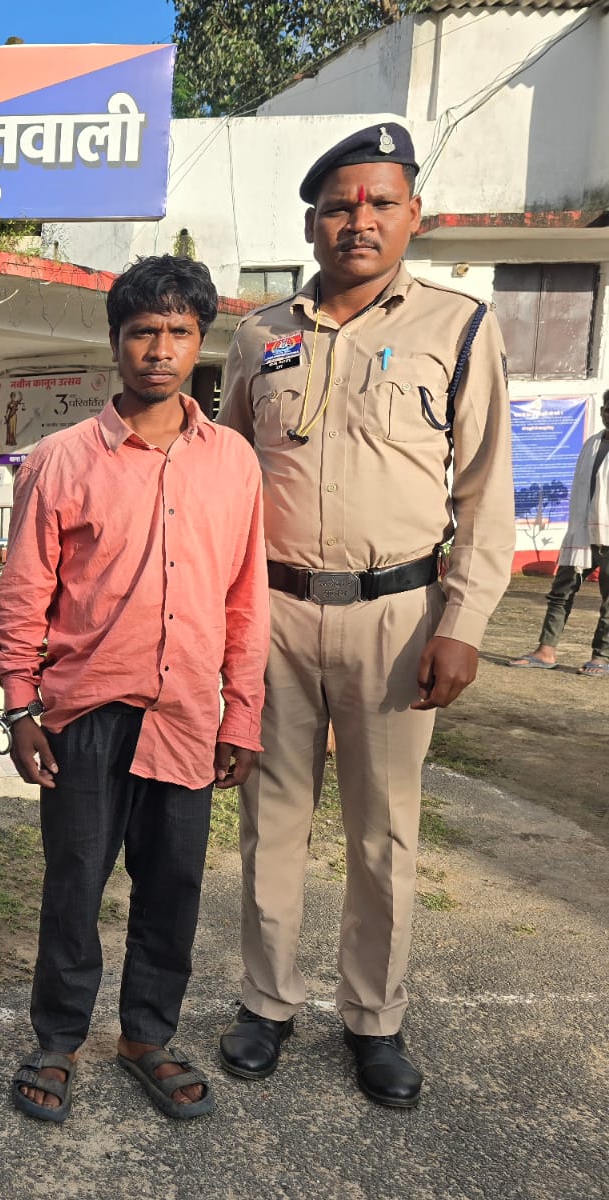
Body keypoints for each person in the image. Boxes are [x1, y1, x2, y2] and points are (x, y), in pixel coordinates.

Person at [217, 123, 514, 1108]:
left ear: (412, 216)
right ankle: (266, 1002)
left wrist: (462, 623)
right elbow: (224, 476)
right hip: (275, 612)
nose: (359, 220)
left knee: (384, 833)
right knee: (271, 821)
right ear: (312, 221)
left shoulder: (456, 326)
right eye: (340, 205)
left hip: (398, 614)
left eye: (380, 202)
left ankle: (374, 1020)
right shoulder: (259, 336)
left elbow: (484, 486)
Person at [0, 255, 268, 1123]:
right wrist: (20, 706)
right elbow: (23, 596)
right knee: (74, 881)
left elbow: (246, 597)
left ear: (200, 342)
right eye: (143, 330)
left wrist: (242, 713)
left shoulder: (234, 464)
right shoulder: (61, 460)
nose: (160, 349)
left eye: (179, 331)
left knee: (173, 884)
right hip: (86, 714)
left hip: (186, 715)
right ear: (115, 341)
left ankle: (148, 1034)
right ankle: (58, 1039)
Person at [507, 389, 609, 677]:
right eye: (606, 408)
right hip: (580, 533)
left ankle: (602, 656)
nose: (608, 414)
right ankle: (546, 651)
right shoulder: (591, 444)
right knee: (561, 593)